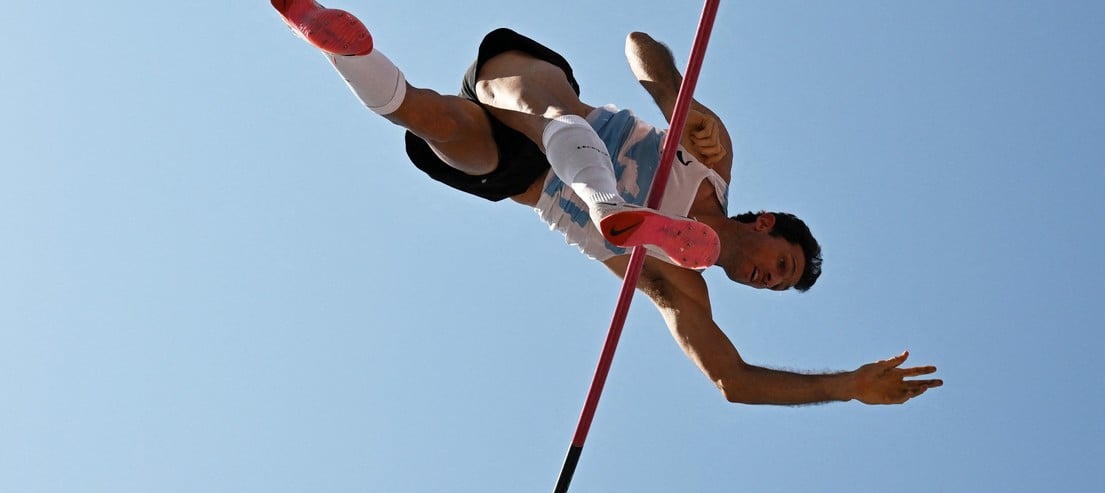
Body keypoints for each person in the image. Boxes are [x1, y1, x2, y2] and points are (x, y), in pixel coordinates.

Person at [270, 0, 943, 405]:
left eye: (775, 284)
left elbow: (731, 381)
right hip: (536, 95)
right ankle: (606, 202)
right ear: (765, 223)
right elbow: (638, 45)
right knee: (557, 110)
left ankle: (338, 41)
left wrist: (848, 384)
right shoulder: (713, 156)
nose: (769, 278)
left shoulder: (684, 288)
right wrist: (676, 92)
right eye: (782, 263)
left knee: (429, 119)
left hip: (522, 175)